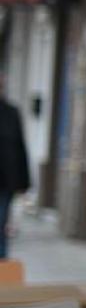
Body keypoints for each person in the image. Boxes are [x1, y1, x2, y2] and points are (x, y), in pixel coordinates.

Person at [0, 76, 28, 259]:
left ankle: (2, 264)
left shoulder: (11, 112)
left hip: (5, 181)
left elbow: (20, 147)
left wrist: (24, 181)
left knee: (1, 221)